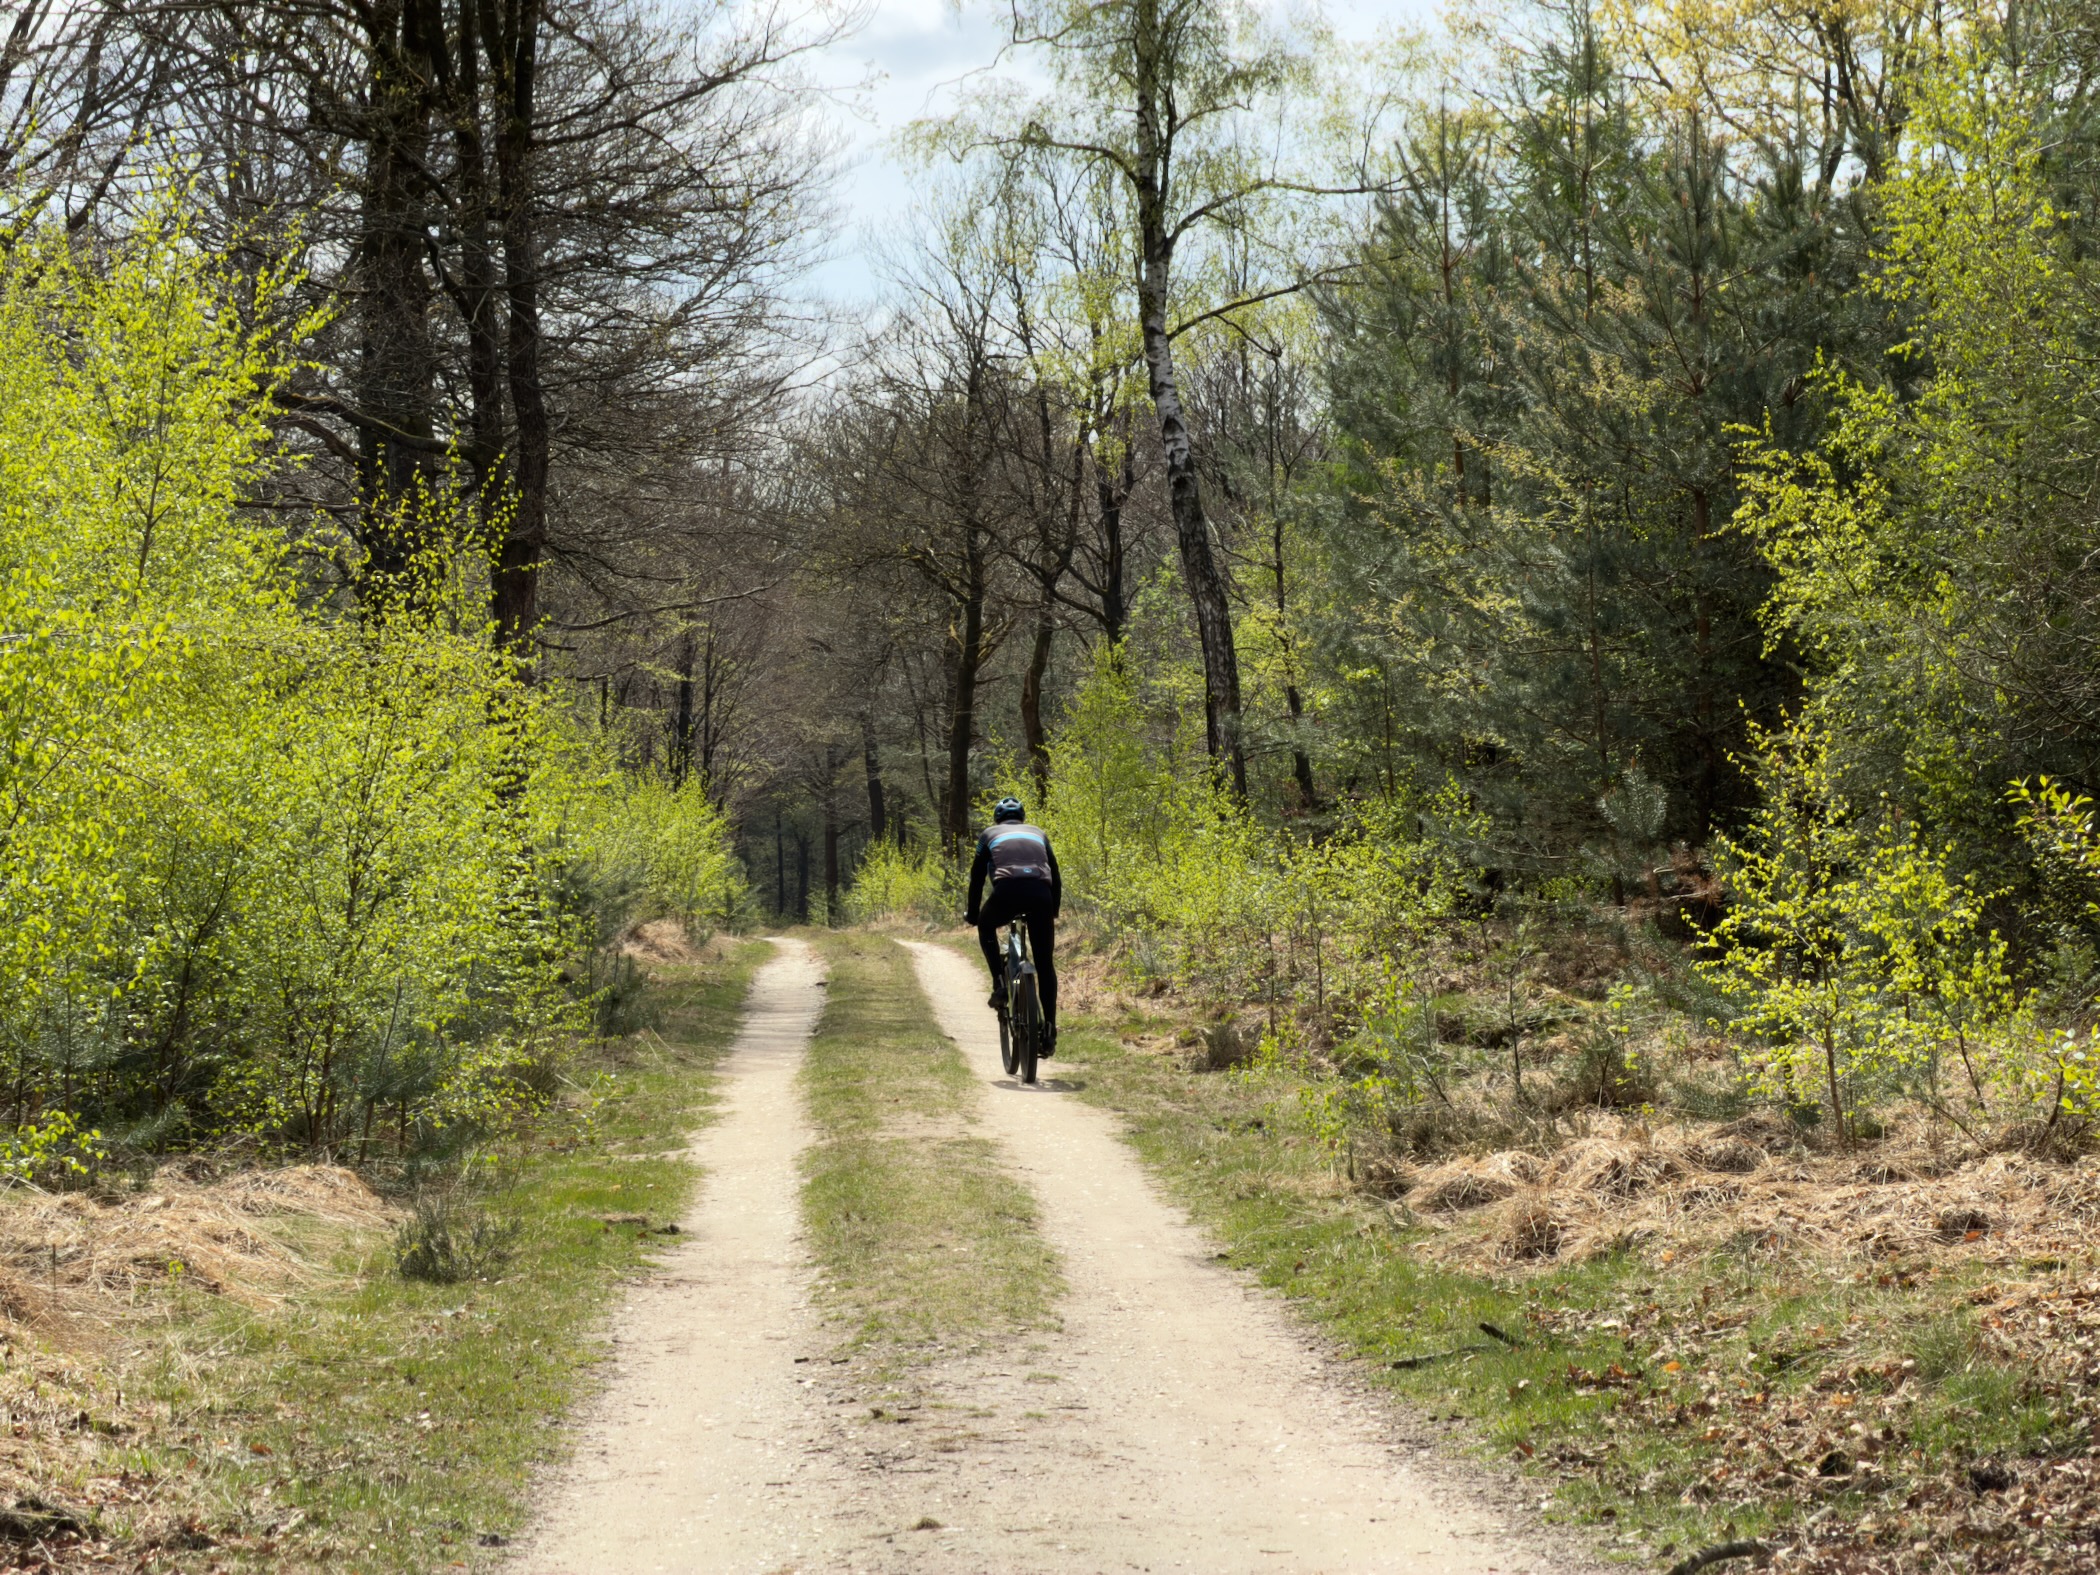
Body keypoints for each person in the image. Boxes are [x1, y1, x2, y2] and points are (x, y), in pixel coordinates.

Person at [964, 797, 1061, 1055]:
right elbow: (1055, 871)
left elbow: (976, 876)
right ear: (1022, 817)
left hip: (1007, 893)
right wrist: (1053, 911)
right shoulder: (1038, 833)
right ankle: (1049, 1031)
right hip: (1041, 894)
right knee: (1045, 964)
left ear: (998, 819)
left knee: (986, 926)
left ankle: (999, 984)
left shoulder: (989, 834)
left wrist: (973, 913)